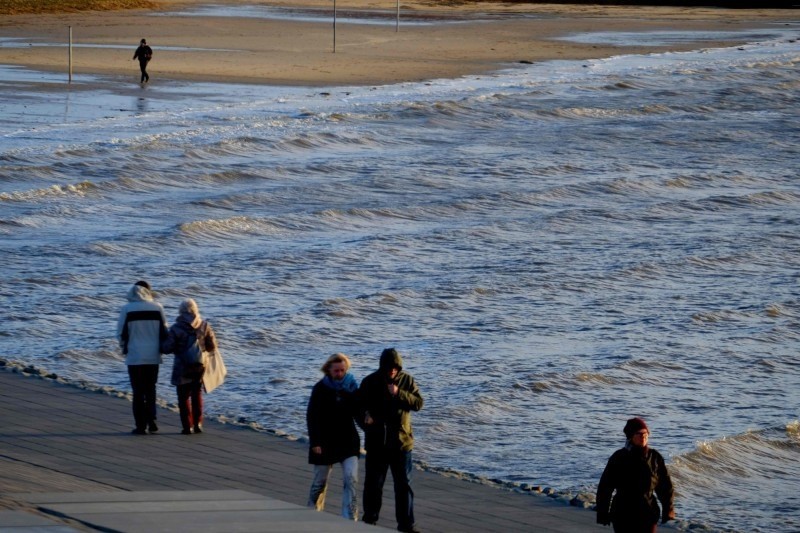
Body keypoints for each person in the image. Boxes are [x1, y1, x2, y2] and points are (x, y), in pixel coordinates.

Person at [359, 348, 423, 533]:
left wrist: (399, 393)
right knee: (373, 485)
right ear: (382, 366)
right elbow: (359, 406)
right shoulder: (370, 382)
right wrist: (366, 417)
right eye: (389, 368)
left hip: (401, 444)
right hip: (377, 444)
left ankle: (406, 525)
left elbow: (418, 403)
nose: (392, 371)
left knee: (404, 486)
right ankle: (369, 521)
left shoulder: (407, 380)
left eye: (395, 367)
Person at [306, 353, 362, 520]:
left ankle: (350, 518)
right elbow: (312, 416)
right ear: (328, 370)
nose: (339, 374)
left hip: (348, 441)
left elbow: (358, 412)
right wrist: (315, 441)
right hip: (324, 441)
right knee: (319, 482)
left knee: (351, 479)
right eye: (336, 370)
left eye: (342, 370)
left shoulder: (352, 387)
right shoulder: (320, 388)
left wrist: (369, 422)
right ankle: (312, 512)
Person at [596, 417, 676, 533]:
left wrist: (668, 509)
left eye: (645, 433)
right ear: (630, 436)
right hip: (623, 514)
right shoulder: (619, 458)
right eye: (638, 433)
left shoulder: (655, 458)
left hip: (648, 513)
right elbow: (605, 487)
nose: (643, 436)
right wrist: (602, 512)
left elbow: (665, 486)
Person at [116, 280, 168, 435]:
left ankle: (140, 425)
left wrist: (124, 347)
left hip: (135, 355)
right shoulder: (158, 308)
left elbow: (120, 333)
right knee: (151, 388)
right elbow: (164, 331)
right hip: (153, 355)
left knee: (138, 391)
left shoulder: (127, 309)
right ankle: (152, 421)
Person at [161, 298, 217, 435]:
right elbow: (212, 346)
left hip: (182, 366)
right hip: (200, 365)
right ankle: (198, 424)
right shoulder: (204, 326)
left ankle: (187, 426)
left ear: (180, 311)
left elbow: (166, 348)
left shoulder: (176, 328)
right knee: (196, 394)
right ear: (195, 310)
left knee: (183, 396)